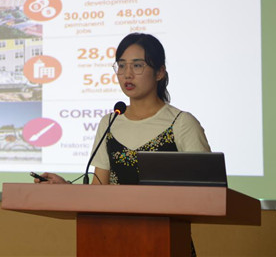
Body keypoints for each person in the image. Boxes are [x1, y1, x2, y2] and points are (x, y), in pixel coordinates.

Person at [34, 33, 210, 255]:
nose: (127, 74)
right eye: (121, 65)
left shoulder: (181, 123)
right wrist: (65, 189)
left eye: (137, 65)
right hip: (114, 240)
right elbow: (98, 191)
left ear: (160, 72)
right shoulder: (110, 122)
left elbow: (207, 192)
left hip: (166, 242)